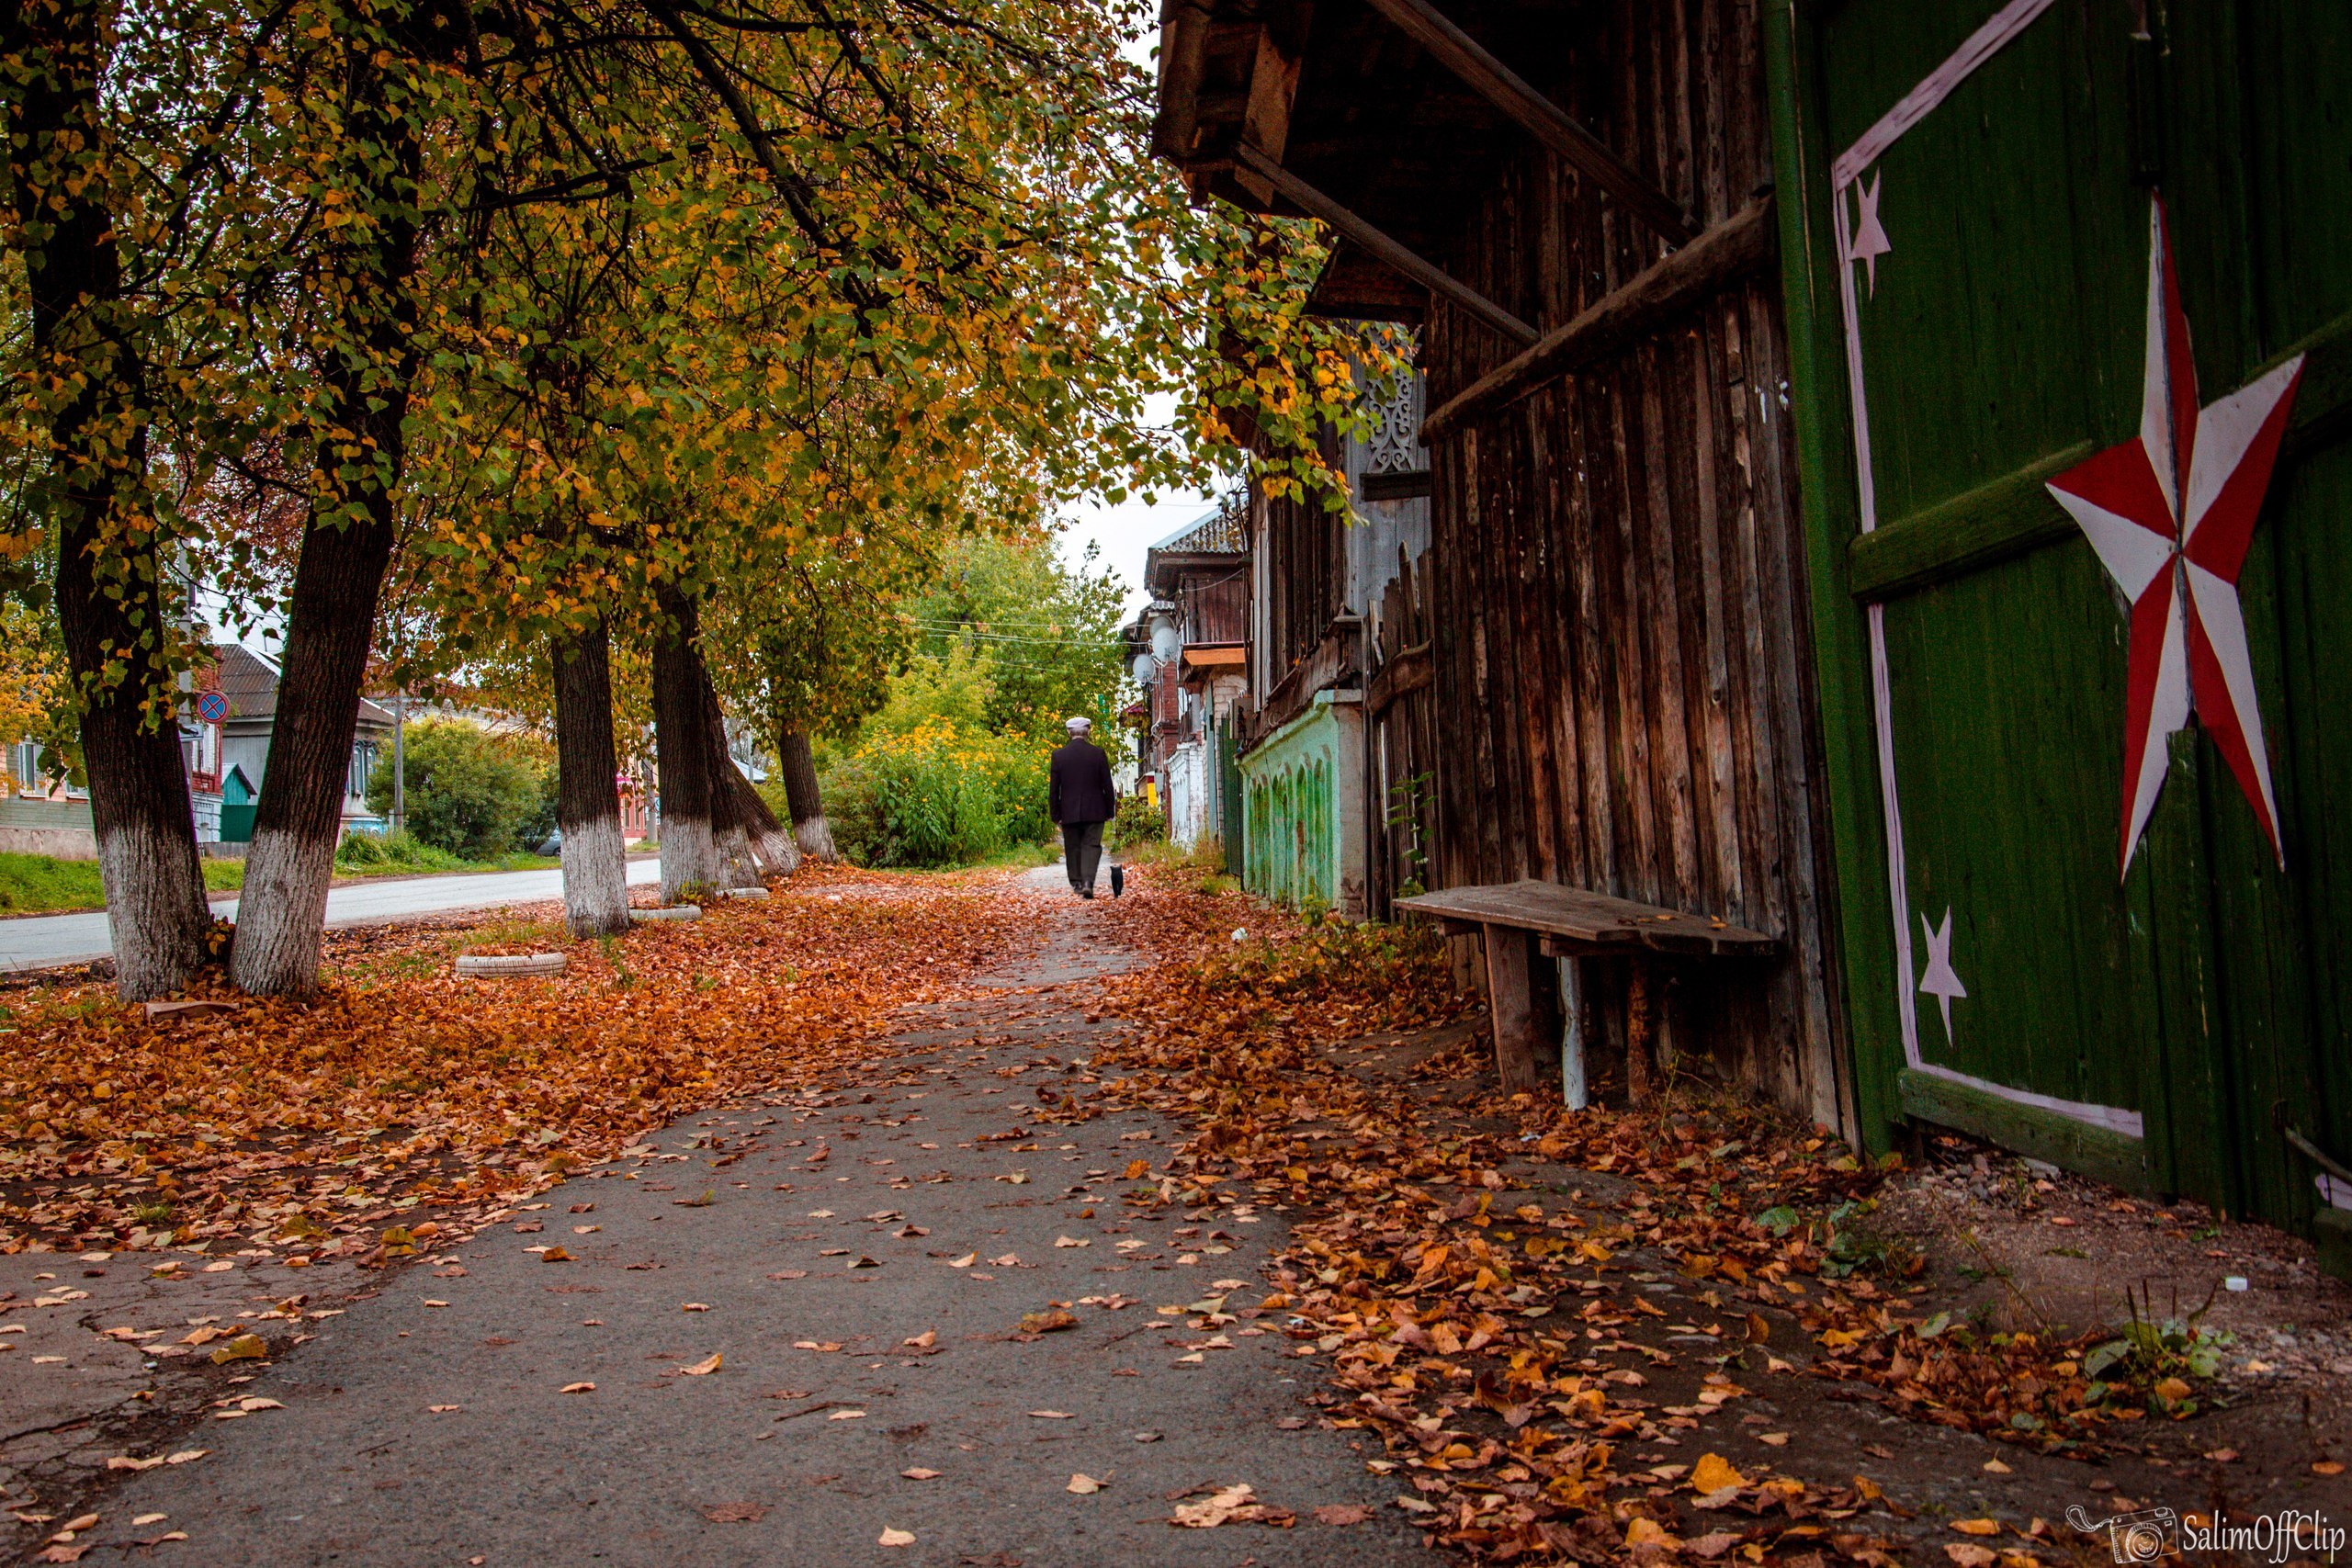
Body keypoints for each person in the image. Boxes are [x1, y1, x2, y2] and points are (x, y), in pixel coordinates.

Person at [1047, 716, 1119, 898]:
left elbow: (1054, 789)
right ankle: (1088, 881)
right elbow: (1107, 785)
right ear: (1088, 732)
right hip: (1096, 810)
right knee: (1091, 846)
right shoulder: (1098, 754)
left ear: (1069, 732)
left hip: (1068, 811)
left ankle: (1077, 882)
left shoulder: (1059, 756)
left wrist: (1055, 814)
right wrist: (1110, 810)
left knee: (1072, 847)